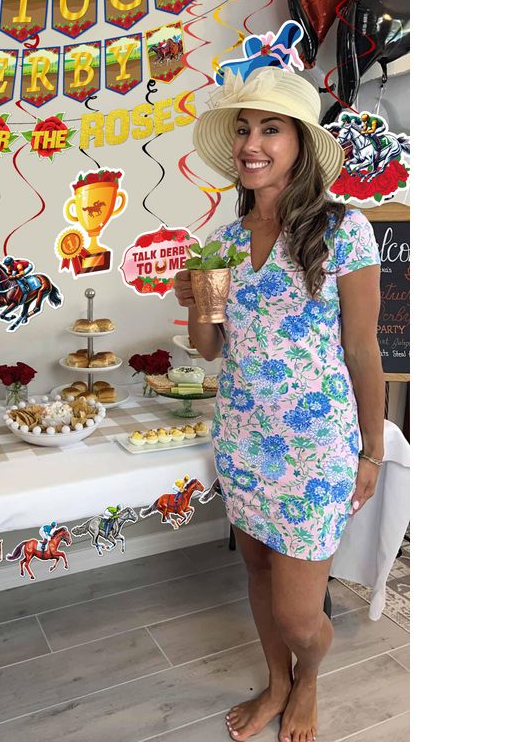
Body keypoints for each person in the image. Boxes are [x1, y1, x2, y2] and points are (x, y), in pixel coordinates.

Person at [180, 67, 384, 742]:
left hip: (316, 447)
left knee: (300, 616)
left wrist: (372, 450)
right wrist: (197, 298)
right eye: (243, 129)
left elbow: (362, 349)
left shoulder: (345, 229)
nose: (251, 144)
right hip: (242, 436)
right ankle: (277, 682)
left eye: (270, 129)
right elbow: (209, 348)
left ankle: (310, 677)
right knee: (260, 571)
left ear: (300, 143)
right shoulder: (226, 240)